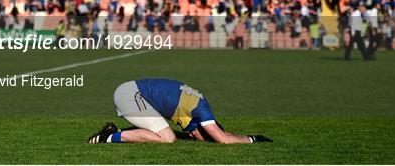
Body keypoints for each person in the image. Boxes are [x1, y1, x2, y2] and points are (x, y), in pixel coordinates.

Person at [88, 79, 272, 144]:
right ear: (205, 127)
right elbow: (223, 139)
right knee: (168, 138)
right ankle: (108, 137)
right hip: (131, 94)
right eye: (205, 137)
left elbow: (219, 133)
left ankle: (115, 132)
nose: (197, 138)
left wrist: (234, 135)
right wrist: (252, 139)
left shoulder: (199, 111)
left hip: (132, 91)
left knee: (161, 131)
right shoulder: (202, 111)